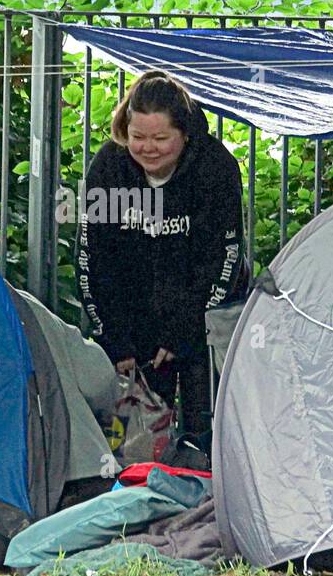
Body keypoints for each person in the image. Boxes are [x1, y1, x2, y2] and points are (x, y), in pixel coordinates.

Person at [76, 70, 249, 443]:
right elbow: (94, 259)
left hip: (203, 319)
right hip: (133, 321)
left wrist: (183, 332)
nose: (148, 148)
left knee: (208, 433)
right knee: (130, 439)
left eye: (160, 138)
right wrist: (115, 337)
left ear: (184, 134)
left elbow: (224, 259)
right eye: (138, 137)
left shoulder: (215, 169)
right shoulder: (109, 167)